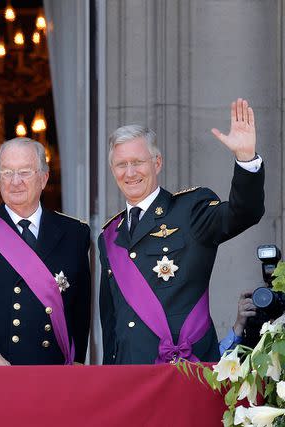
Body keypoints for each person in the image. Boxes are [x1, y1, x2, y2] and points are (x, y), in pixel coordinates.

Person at [99, 98, 265, 365]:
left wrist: (245, 159)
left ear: (157, 163)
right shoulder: (109, 236)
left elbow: (243, 214)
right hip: (128, 377)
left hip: (186, 369)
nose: (130, 172)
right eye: (121, 164)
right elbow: (111, 322)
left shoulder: (189, 210)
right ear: (112, 170)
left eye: (138, 162)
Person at [0, 137, 91, 365]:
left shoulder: (74, 233)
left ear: (44, 177)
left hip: (54, 372)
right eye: (7, 172)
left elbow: (81, 310)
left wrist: (76, 362)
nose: (15, 181)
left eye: (25, 172)